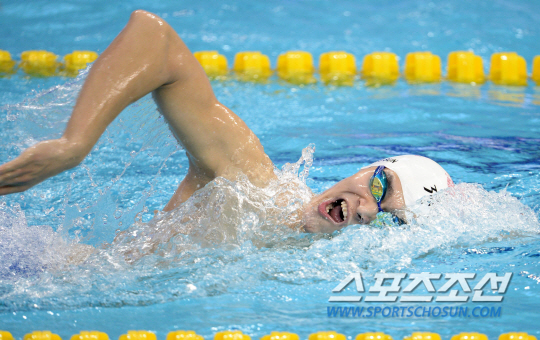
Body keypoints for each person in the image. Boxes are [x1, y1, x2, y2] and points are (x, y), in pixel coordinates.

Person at [0, 10, 453, 234]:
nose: (368, 209)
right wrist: (74, 145)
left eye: (390, 217)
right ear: (364, 168)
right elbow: (155, 39)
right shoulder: (251, 185)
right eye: (380, 185)